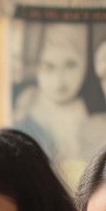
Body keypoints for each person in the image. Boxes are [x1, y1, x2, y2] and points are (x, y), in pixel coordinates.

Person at [14, 23, 90, 162]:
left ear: (84, 64)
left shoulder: (93, 118)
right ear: (36, 68)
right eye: (49, 66)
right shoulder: (25, 120)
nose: (59, 80)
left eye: (70, 65)